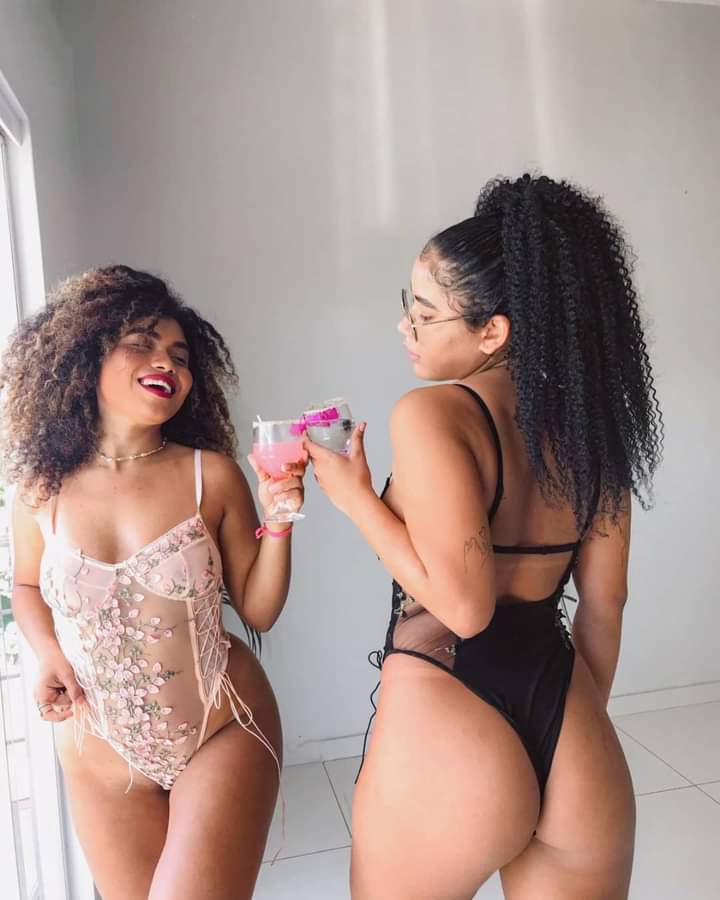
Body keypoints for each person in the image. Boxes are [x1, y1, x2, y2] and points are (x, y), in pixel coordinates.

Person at [304, 175, 663, 900]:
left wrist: (354, 498)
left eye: (424, 313)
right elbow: (606, 603)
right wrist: (569, 729)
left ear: (493, 331)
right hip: (567, 718)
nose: (405, 327)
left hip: (450, 706)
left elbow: (465, 609)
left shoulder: (435, 413)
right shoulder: (591, 428)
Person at [2, 266, 305, 900]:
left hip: (222, 726)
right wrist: (49, 653)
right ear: (86, 356)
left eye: (180, 355)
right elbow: (26, 587)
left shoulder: (210, 475)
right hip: (97, 751)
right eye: (141, 343)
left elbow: (259, 610)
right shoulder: (39, 488)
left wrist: (279, 521)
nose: (166, 362)